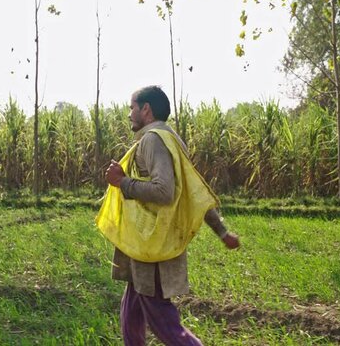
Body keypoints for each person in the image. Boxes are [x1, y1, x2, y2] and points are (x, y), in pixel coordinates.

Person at [100, 85, 240, 345]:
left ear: (146, 109)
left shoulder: (153, 140)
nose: (129, 113)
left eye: (132, 107)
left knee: (163, 322)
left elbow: (164, 191)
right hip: (145, 245)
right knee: (131, 313)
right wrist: (222, 232)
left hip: (153, 244)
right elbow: (193, 193)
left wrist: (123, 182)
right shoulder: (171, 139)